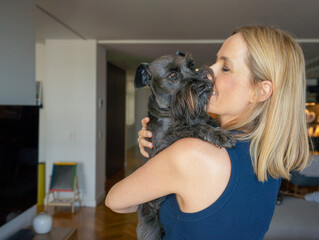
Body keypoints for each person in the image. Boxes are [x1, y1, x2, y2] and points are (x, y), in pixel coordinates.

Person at [105, 25, 310, 239]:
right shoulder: (270, 160)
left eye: (225, 68)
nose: (208, 73)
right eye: (216, 61)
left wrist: (163, 161)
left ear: (261, 91)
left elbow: (115, 201)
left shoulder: (191, 153)